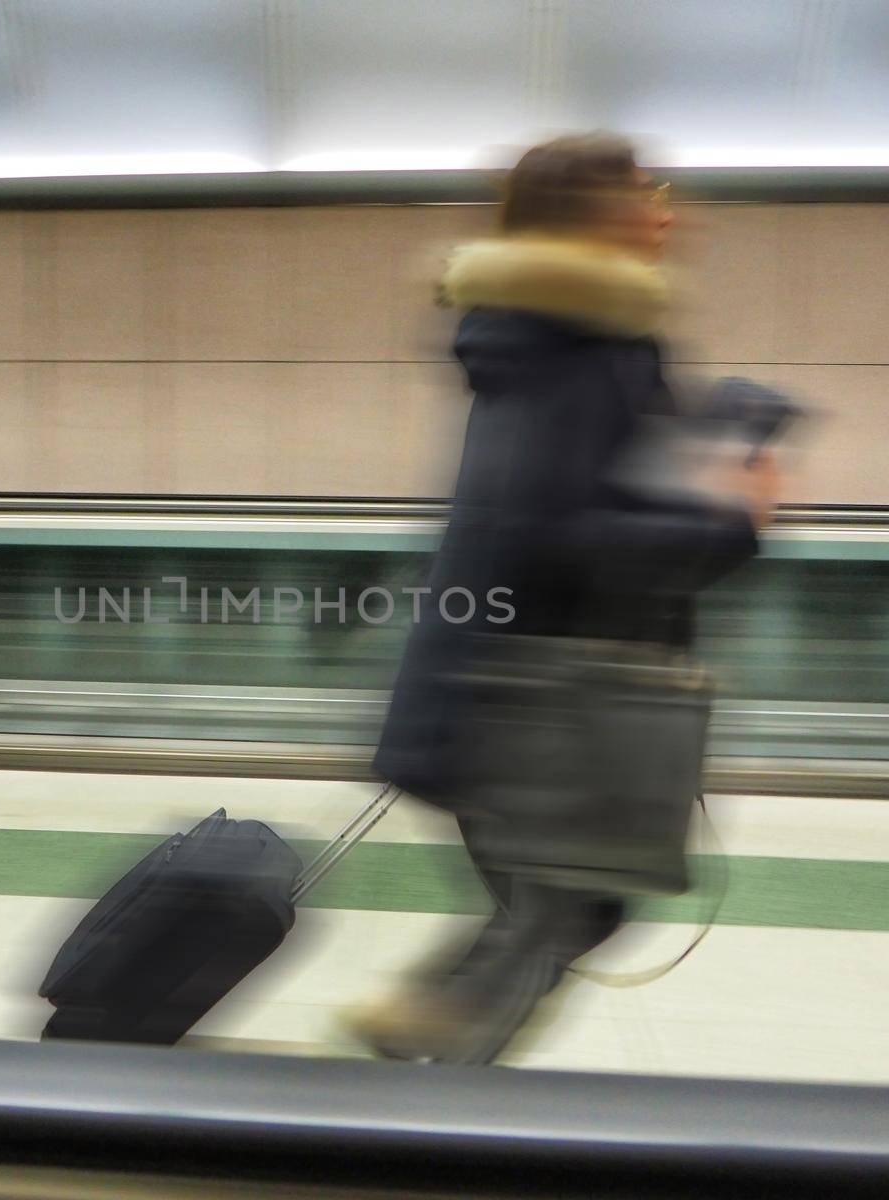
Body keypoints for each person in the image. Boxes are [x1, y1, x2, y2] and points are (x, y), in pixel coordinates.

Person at [347, 133, 781, 1065]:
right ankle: (424, 1078)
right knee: (568, 912)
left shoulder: (564, 341)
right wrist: (733, 518)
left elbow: (590, 497)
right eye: (647, 190)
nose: (669, 209)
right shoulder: (579, 348)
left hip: (511, 693)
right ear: (595, 212)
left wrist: (711, 461)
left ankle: (422, 1048)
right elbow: (557, 530)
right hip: (532, 702)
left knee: (562, 913)